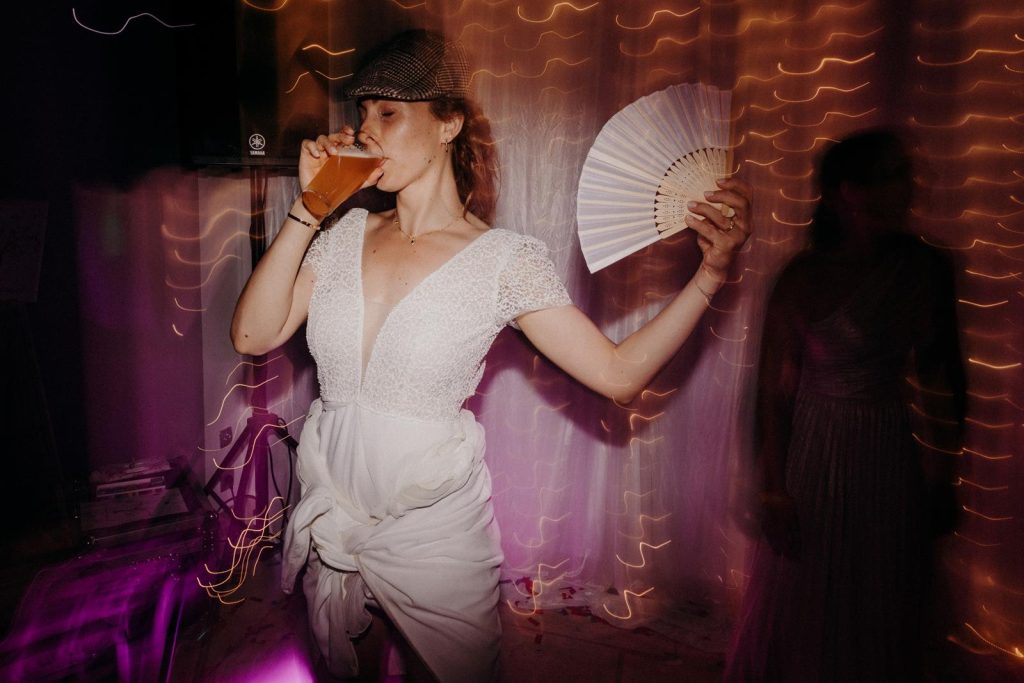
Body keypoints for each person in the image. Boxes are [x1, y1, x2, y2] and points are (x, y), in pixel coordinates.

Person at [231, 29, 751, 681]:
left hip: (433, 528)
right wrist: (308, 209)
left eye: (389, 112)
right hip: (335, 509)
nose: (368, 131)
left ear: (448, 123)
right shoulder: (341, 236)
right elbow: (252, 335)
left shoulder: (505, 260)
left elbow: (619, 375)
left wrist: (709, 276)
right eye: (362, 114)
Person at [725, 128, 966, 681]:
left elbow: (944, 378)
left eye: (905, 174)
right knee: (810, 592)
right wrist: (773, 485)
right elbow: (772, 391)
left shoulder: (924, 269)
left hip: (887, 447)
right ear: (847, 192)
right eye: (891, 175)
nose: (907, 187)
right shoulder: (804, 278)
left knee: (882, 593)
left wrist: (945, 476)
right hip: (817, 446)